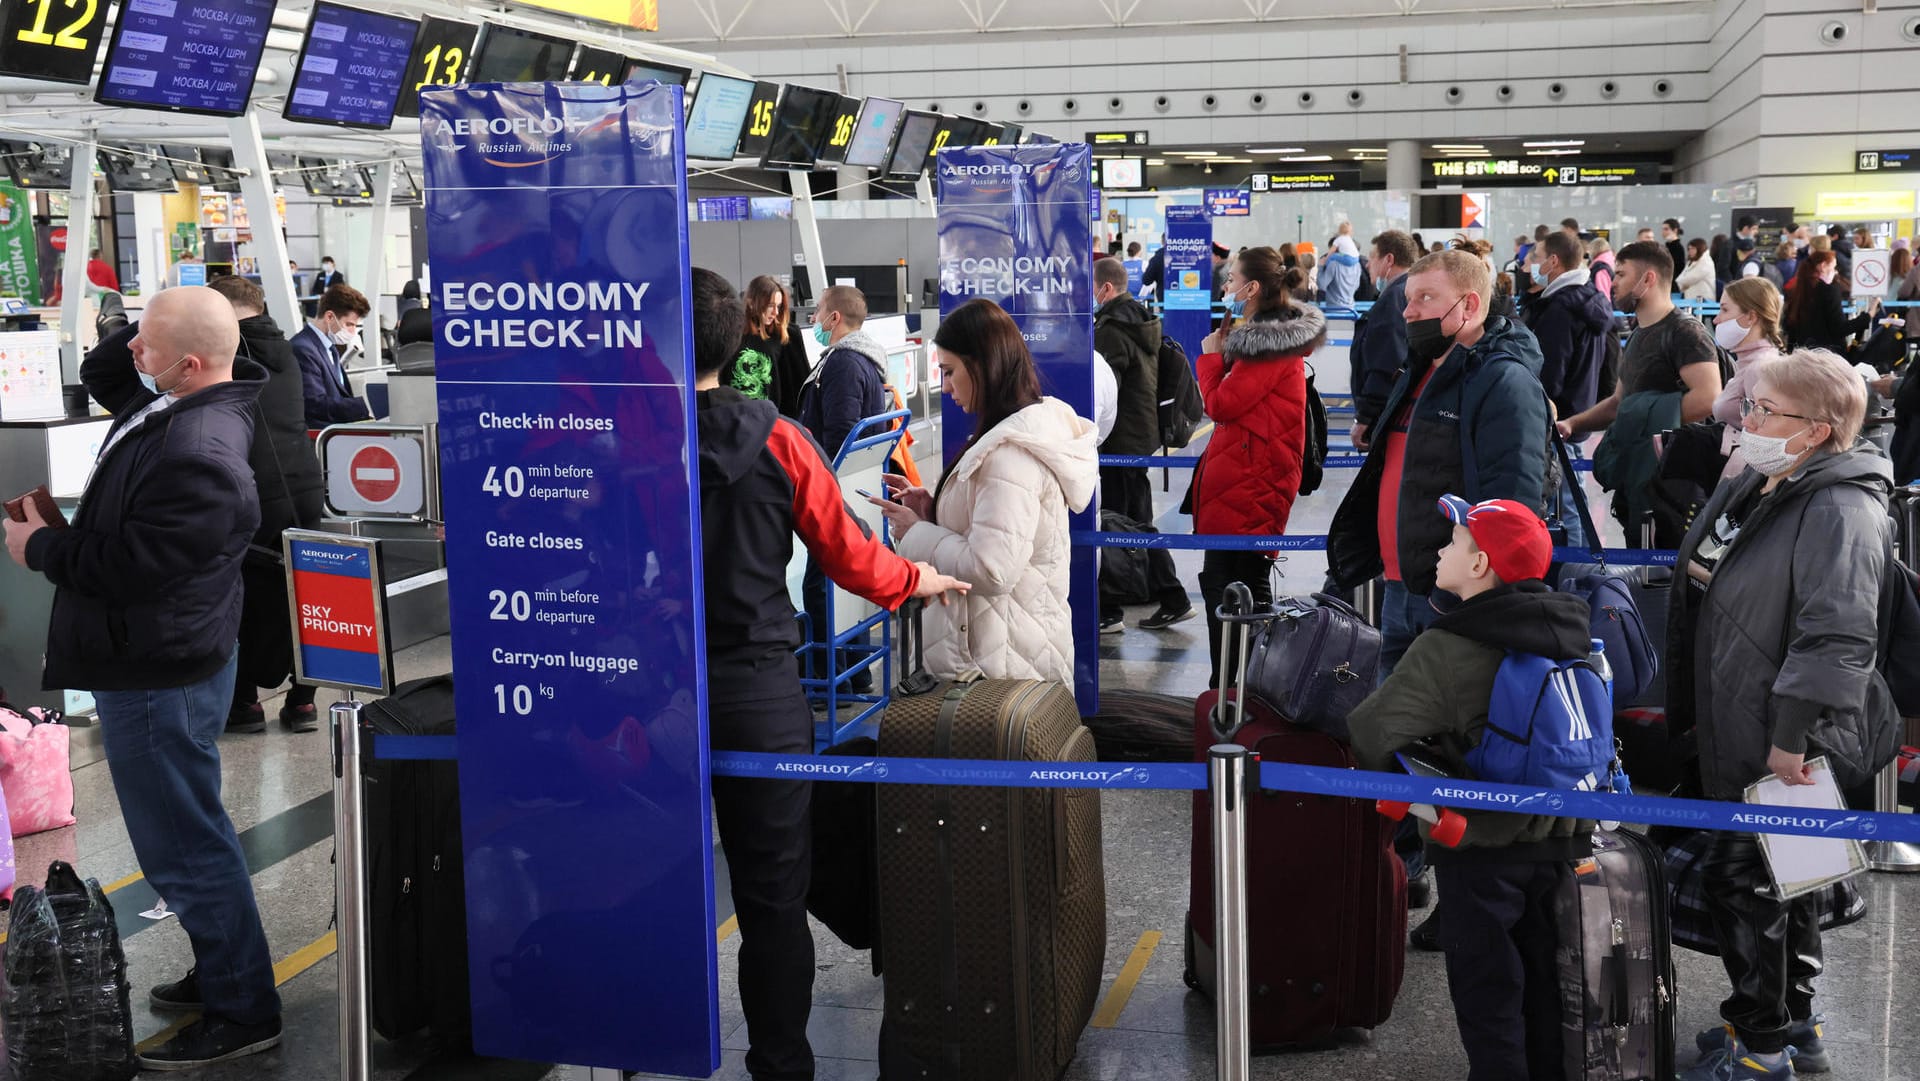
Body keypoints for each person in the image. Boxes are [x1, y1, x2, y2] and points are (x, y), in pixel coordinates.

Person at [689, 268, 968, 1081]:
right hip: (760, 690)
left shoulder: (630, 439)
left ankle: (648, 1044)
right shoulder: (777, 436)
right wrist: (923, 578)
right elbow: (851, 559)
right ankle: (781, 1063)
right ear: (737, 340)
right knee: (773, 901)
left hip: (655, 694)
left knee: (647, 876)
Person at [3, 286, 283, 1069]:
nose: (130, 354)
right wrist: (142, 320)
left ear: (190, 364)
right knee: (186, 833)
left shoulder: (199, 451)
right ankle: (225, 968)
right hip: (159, 654)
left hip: (156, 669)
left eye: (148, 346)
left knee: (184, 848)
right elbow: (103, 364)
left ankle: (244, 1007)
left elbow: (135, 568)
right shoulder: (176, 401)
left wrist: (42, 552)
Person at [1667, 349, 1896, 1081]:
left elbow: (1838, 632)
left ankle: (1760, 1048)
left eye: (1767, 410)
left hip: (1785, 733)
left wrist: (1790, 735)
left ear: (1821, 430)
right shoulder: (1770, 482)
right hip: (1745, 711)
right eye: (1751, 404)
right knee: (1786, 876)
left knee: (1752, 883)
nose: (1747, 418)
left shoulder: (1840, 505)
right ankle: (1794, 1025)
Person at [1348, 494, 1595, 1081]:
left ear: (1480, 564)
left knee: (1488, 985)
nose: (1440, 550)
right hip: (1562, 839)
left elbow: (1371, 730)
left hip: (1481, 845)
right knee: (1545, 979)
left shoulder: (1451, 645)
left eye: (1454, 543)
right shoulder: (1568, 628)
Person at [83, 276, 328, 734]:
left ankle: (246, 704)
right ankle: (303, 702)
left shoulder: (211, 367)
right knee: (303, 596)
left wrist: (167, 324)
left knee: (234, 600)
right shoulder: (286, 352)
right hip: (303, 491)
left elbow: (97, 372)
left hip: (241, 492)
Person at [1327, 249, 1552, 675]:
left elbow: (1513, 505)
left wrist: (1468, 595)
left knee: (1441, 734)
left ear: (1468, 305)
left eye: (1426, 298)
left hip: (1454, 598)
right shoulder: (1417, 371)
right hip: (1400, 585)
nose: (1409, 312)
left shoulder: (1504, 381)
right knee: (1391, 730)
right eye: (1408, 299)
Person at [870, 299, 1097, 684]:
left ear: (982, 365)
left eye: (949, 371)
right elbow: (991, 533)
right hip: (1002, 655)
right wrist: (933, 510)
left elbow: (992, 570)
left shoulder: (1010, 455)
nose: (945, 386)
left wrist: (917, 532)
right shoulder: (1010, 437)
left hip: (1000, 669)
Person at [1189, 249, 1317, 686]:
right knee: (1232, 584)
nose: (1225, 287)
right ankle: (1236, 689)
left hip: (1251, 485)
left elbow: (1222, 404)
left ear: (1252, 288)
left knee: (1236, 586)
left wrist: (1208, 358)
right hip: (1246, 481)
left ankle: (1238, 691)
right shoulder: (1262, 337)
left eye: (1231, 279)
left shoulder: (1270, 342)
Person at [1558, 241, 1723, 545]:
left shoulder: (1685, 332)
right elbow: (1619, 403)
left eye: (1621, 275)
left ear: (1647, 279)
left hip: (1676, 487)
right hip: (1641, 484)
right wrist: (1573, 424)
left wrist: (1649, 426)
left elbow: (1709, 397)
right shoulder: (1638, 334)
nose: (1613, 283)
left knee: (1667, 581)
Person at [797, 285, 892, 689]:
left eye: (818, 312)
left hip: (833, 490)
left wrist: (819, 483)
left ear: (835, 318)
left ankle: (829, 677)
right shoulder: (866, 360)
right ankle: (855, 674)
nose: (814, 320)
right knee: (844, 581)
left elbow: (840, 431)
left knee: (819, 585)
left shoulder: (842, 364)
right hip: (853, 487)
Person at [1091, 257, 1191, 632]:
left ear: (1106, 289)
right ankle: (1171, 596)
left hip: (1118, 441)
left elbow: (1103, 389)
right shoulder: (1142, 320)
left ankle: (1111, 609)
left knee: (1114, 523)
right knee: (1137, 521)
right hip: (1140, 436)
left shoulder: (1112, 330)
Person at [1523, 230, 1612, 547]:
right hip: (1579, 410)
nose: (1529, 264)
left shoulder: (1560, 310)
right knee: (1575, 500)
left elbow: (1549, 372)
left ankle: (1576, 572)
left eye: (1535, 256)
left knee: (1571, 506)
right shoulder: (1590, 300)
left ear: (1553, 261)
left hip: (1557, 419)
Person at [1350, 230, 1416, 451]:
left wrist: (1365, 417)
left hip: (1386, 411)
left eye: (1372, 258)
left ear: (1389, 259)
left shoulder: (1392, 300)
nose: (1368, 265)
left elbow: (1386, 364)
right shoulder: (1409, 292)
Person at [292, 282, 373, 426]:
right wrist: (368, 405)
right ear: (329, 317)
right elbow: (315, 404)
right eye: (349, 324)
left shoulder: (329, 347)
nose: (353, 332)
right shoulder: (303, 349)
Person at [1712, 278, 1789, 426]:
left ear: (1751, 317)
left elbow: (1764, 432)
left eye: (1725, 310)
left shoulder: (1758, 368)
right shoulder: (1753, 363)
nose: (1716, 319)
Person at [734, 276, 811, 417]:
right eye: (770, 306)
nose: (775, 312)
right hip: (739, 419)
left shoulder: (785, 335)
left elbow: (798, 383)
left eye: (779, 306)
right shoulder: (733, 335)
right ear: (751, 303)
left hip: (772, 420)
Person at [1785, 250, 1878, 355]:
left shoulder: (1797, 290)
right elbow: (1839, 328)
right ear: (1823, 266)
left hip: (1801, 355)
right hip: (1827, 357)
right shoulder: (1829, 291)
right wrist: (1868, 316)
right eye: (1834, 267)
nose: (1835, 272)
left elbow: (1789, 327)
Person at [1318, 234, 1364, 308]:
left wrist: (1320, 267)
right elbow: (1356, 286)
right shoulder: (1357, 265)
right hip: (1350, 308)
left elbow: (1321, 285)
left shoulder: (1334, 264)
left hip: (1334, 310)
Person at [1677, 237, 1718, 302]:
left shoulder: (1706, 262)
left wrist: (1681, 283)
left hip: (1704, 301)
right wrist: (1681, 283)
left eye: (1693, 248)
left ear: (1700, 249)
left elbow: (1690, 278)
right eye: (1689, 249)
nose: (1690, 251)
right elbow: (1682, 277)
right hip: (1692, 299)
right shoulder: (1692, 261)